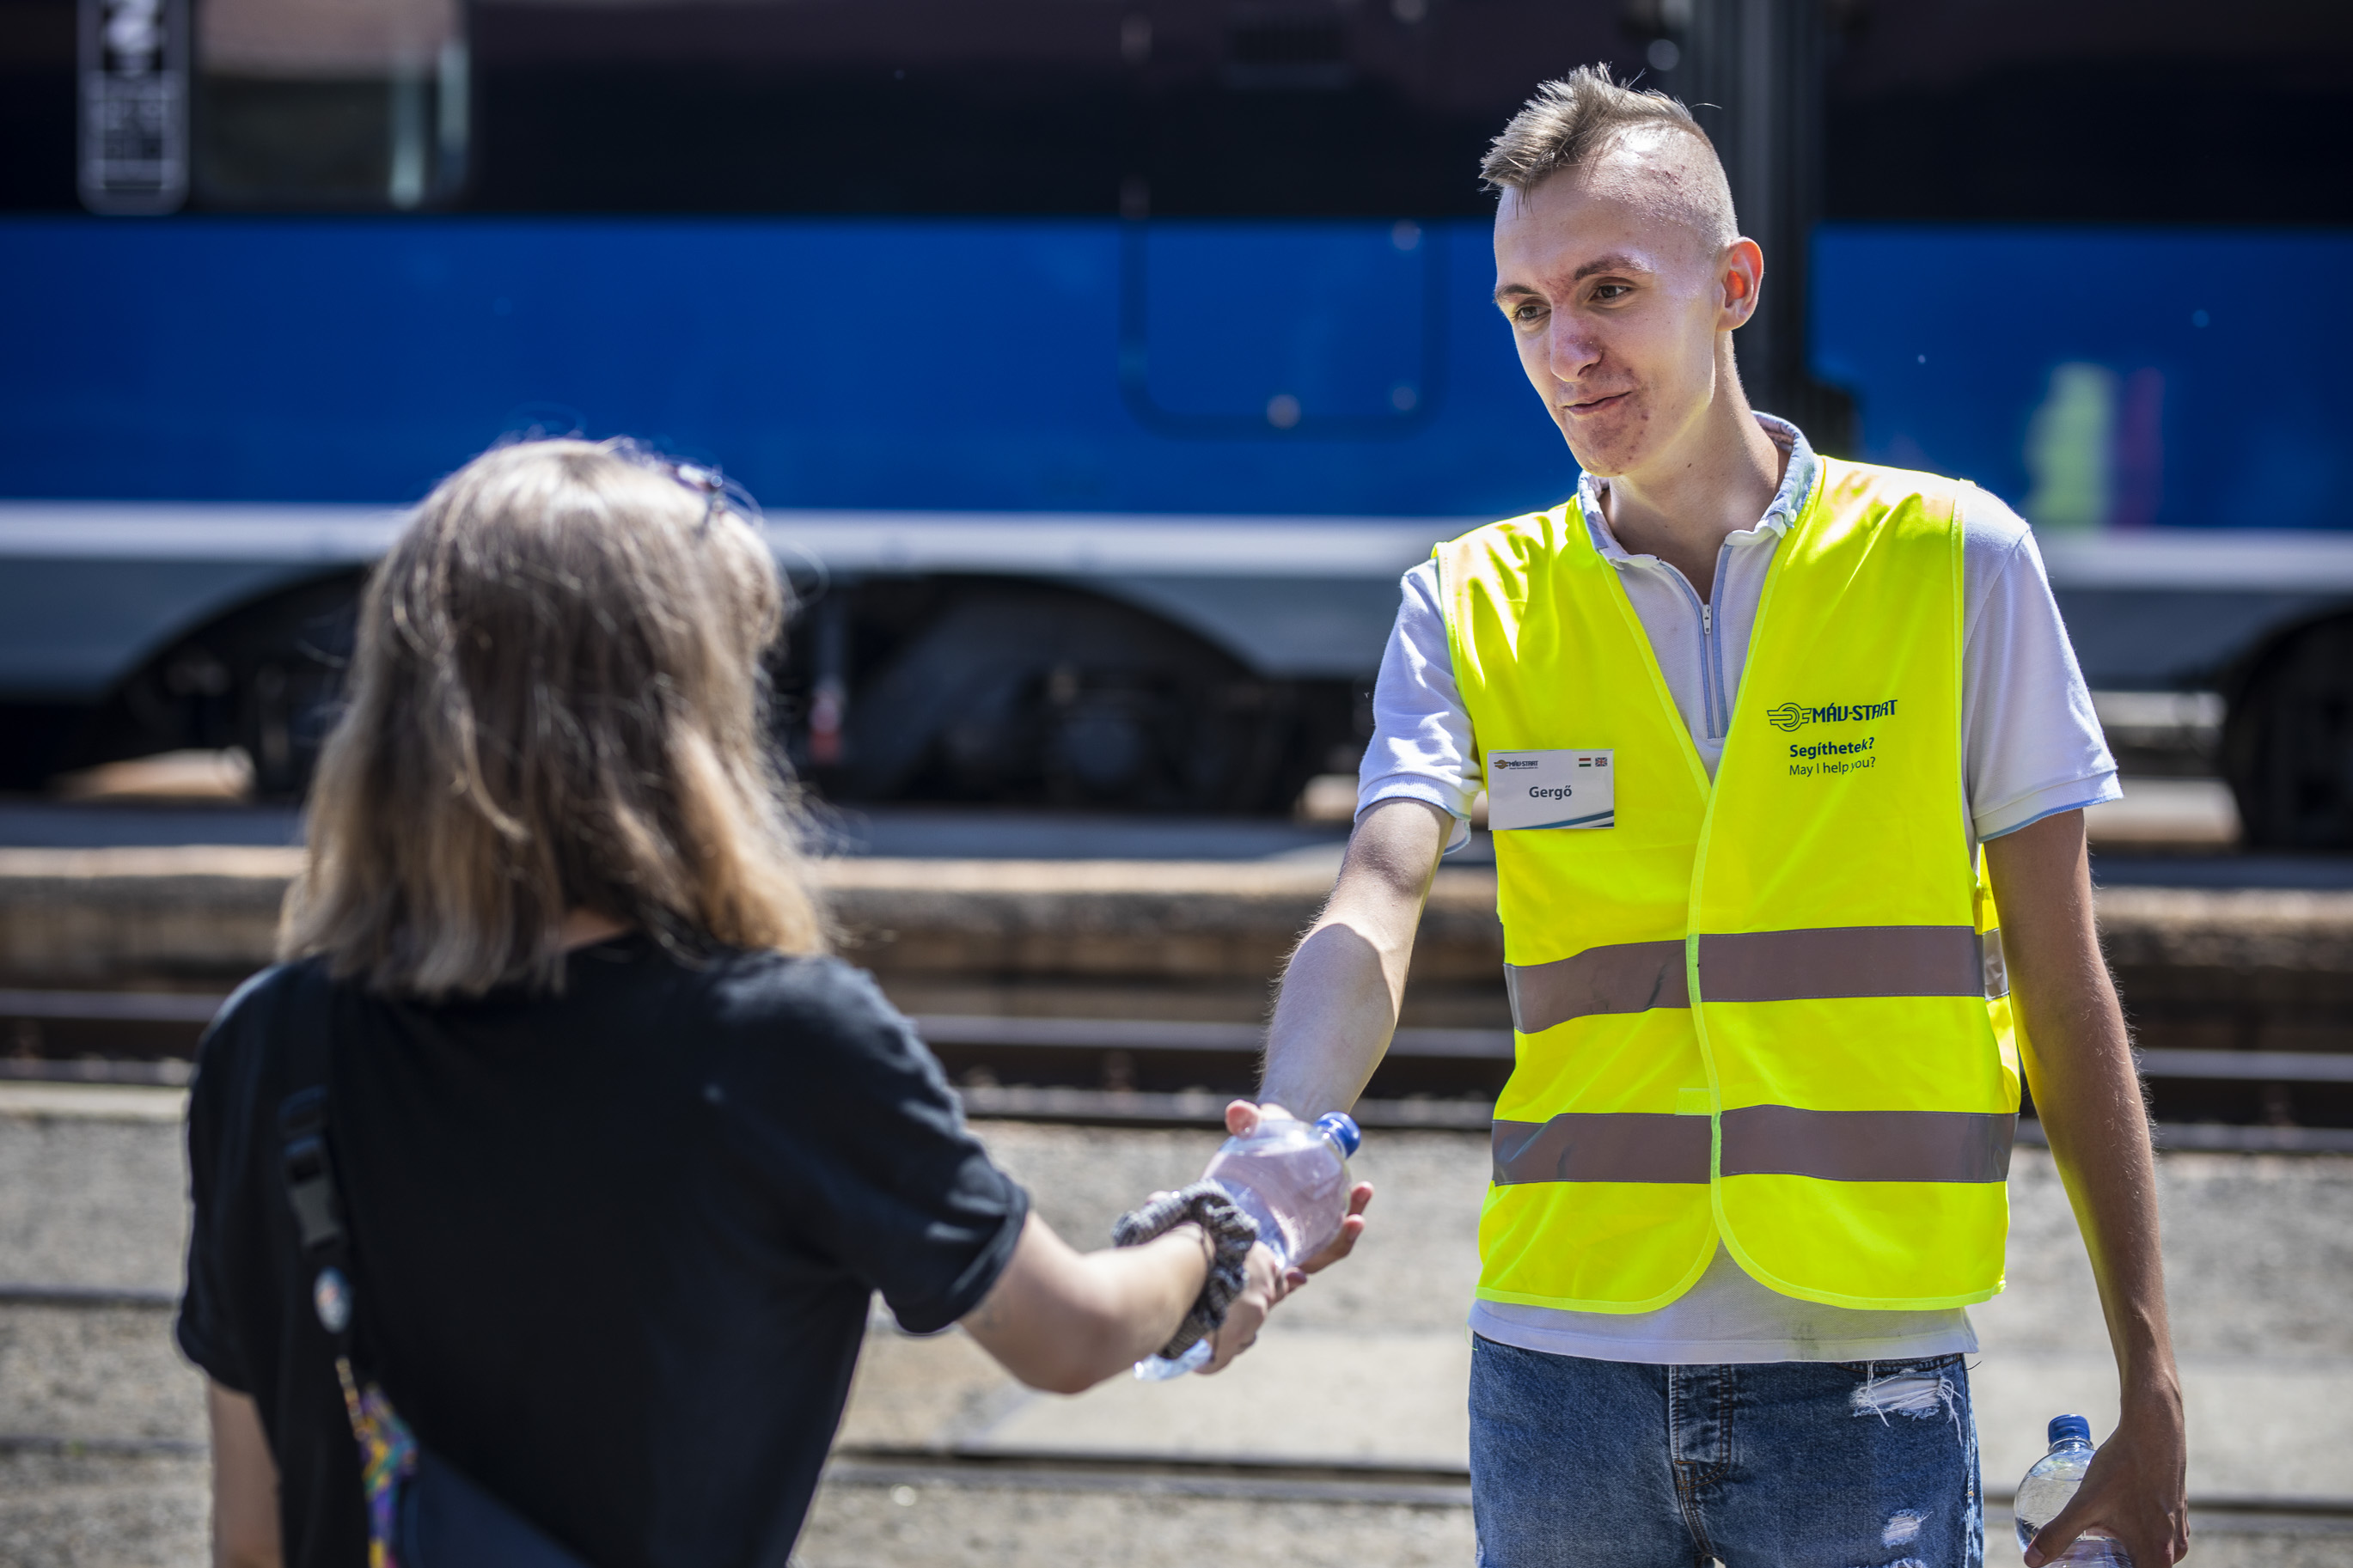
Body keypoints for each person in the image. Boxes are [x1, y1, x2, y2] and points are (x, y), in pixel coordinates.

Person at [1249, 67, 2188, 1568]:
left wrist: (2148, 1374)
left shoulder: (1954, 562)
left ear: (1731, 283)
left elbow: (2067, 991)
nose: (1566, 348)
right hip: (1557, 1369)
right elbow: (1376, 888)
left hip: (1860, 1367)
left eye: (1607, 289)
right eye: (1524, 310)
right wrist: (1285, 1131)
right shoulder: (1468, 601)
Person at [179, 439, 1367, 1567]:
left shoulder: (272, 1037)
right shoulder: (780, 1042)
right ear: (678, 721)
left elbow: (252, 1537)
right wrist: (1227, 1227)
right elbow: (1065, 1337)